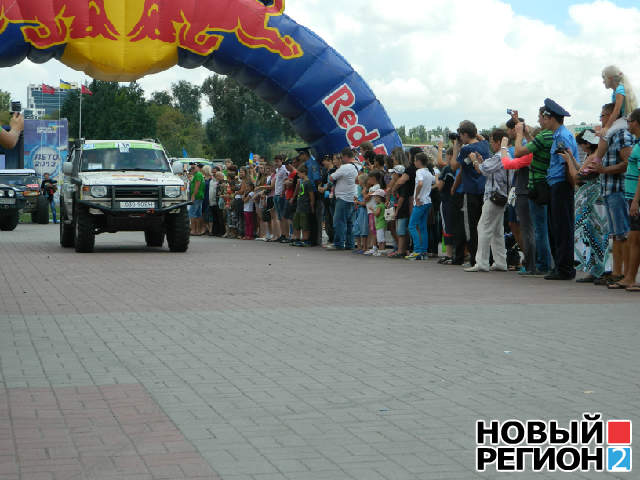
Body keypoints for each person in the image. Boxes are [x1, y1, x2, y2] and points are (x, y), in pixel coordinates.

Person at [589, 103, 634, 289]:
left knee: (623, 233)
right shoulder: (609, 136)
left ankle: (624, 273)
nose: (601, 119)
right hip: (609, 189)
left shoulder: (622, 135)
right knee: (615, 235)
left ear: (613, 116)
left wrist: (604, 170)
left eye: (604, 115)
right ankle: (616, 272)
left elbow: (628, 162)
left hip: (618, 189)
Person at [561, 130, 610, 283]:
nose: (581, 148)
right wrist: (572, 158)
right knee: (593, 234)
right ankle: (596, 270)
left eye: (581, 145)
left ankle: (598, 269)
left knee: (591, 234)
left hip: (591, 201)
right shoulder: (595, 156)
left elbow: (577, 177)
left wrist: (568, 160)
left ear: (587, 144)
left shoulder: (594, 157)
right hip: (596, 200)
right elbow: (582, 170)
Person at [509, 107, 553, 275]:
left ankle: (536, 265)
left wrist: (518, 135)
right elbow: (534, 143)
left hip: (531, 188)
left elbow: (515, 157)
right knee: (539, 228)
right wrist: (520, 125)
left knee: (532, 229)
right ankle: (543, 263)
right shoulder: (545, 139)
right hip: (539, 187)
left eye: (540, 118)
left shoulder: (540, 141)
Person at [541, 98, 579, 280]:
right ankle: (560, 266)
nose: (542, 121)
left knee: (562, 227)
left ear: (551, 118)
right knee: (556, 226)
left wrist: (570, 185)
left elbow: (567, 164)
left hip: (562, 184)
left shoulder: (562, 136)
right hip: (556, 184)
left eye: (544, 117)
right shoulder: (559, 135)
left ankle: (564, 268)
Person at [466, 130, 509, 272]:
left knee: (483, 227)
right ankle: (501, 262)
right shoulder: (504, 156)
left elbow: (482, 170)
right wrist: (481, 161)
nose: (490, 144)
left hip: (493, 197)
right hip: (502, 196)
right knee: (497, 231)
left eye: (491, 141)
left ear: (498, 142)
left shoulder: (498, 157)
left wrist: (474, 160)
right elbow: (489, 169)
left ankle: (482, 262)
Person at [450, 120, 490, 266]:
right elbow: (481, 138)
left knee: (472, 227)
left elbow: (454, 166)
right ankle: (486, 258)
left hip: (471, 191)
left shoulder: (466, 150)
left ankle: (475, 259)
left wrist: (456, 147)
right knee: (485, 226)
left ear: (465, 134)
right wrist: (472, 131)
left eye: (461, 134)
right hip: (485, 190)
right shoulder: (484, 145)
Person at [618, 108, 640, 291]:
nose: (628, 124)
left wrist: (635, 200)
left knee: (635, 239)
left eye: (630, 120)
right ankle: (629, 277)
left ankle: (631, 278)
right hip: (632, 196)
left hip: (636, 197)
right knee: (634, 238)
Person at [327, 147, 358, 250]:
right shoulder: (357, 165)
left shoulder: (345, 167)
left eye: (341, 157)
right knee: (350, 223)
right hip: (353, 197)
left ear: (345, 156)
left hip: (343, 198)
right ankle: (350, 244)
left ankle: (339, 244)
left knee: (339, 222)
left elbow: (331, 177)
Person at [406, 153, 434, 260]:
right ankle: (423, 251)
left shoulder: (419, 171)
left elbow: (420, 184)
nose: (414, 162)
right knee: (423, 227)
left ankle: (417, 250)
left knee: (412, 226)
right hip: (427, 202)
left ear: (418, 161)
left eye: (415, 160)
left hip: (420, 202)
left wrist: (416, 196)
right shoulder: (428, 172)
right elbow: (434, 182)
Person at [436, 148, 456, 263]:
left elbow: (440, 187)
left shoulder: (447, 168)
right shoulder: (459, 167)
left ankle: (448, 254)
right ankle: (461, 252)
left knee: (447, 226)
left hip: (447, 200)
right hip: (458, 200)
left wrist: (437, 178)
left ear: (449, 156)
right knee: (457, 226)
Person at [291, 165, 315, 247]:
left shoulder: (308, 183)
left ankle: (306, 240)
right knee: (297, 223)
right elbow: (297, 191)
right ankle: (298, 239)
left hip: (305, 206)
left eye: (299, 173)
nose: (298, 175)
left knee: (305, 224)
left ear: (304, 173)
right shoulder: (301, 182)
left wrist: (312, 206)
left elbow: (311, 195)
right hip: (299, 206)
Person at [366, 189, 387, 256]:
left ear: (379, 198)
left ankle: (381, 251)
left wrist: (372, 210)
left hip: (380, 224)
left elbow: (377, 214)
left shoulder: (379, 206)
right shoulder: (383, 205)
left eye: (375, 197)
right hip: (382, 224)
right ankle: (381, 250)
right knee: (381, 238)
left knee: (380, 239)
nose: (374, 199)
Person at [273, 154, 289, 242]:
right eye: (275, 161)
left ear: (282, 161)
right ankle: (282, 234)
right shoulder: (277, 170)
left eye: (278, 161)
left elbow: (285, 181)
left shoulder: (284, 169)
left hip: (281, 194)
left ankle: (286, 235)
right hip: (276, 193)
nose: (276, 163)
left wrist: (283, 192)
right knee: (279, 216)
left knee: (283, 216)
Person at [353, 173, 369, 254]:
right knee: (357, 228)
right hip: (359, 210)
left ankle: (364, 247)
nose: (358, 182)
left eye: (359, 180)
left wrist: (358, 202)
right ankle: (359, 247)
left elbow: (365, 203)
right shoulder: (361, 189)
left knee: (363, 229)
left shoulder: (365, 190)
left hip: (363, 211)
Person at [189, 163, 205, 236]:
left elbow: (197, 185)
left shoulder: (198, 175)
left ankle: (193, 230)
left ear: (197, 168)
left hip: (197, 196)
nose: (192, 169)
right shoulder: (197, 175)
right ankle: (198, 230)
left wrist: (193, 195)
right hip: (199, 196)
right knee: (198, 214)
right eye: (191, 168)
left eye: (194, 168)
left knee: (192, 213)